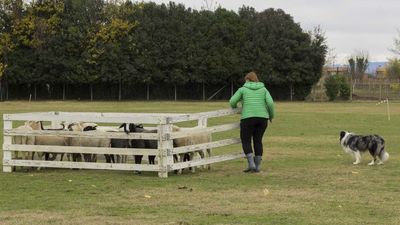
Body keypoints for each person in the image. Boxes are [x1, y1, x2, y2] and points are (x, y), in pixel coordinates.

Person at [229, 72, 275, 173]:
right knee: (258, 141)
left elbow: (232, 101)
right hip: (262, 119)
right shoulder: (264, 89)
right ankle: (257, 166)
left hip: (248, 118)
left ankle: (251, 164)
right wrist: (271, 116)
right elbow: (270, 103)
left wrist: (235, 108)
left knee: (246, 140)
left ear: (248, 80)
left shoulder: (243, 89)